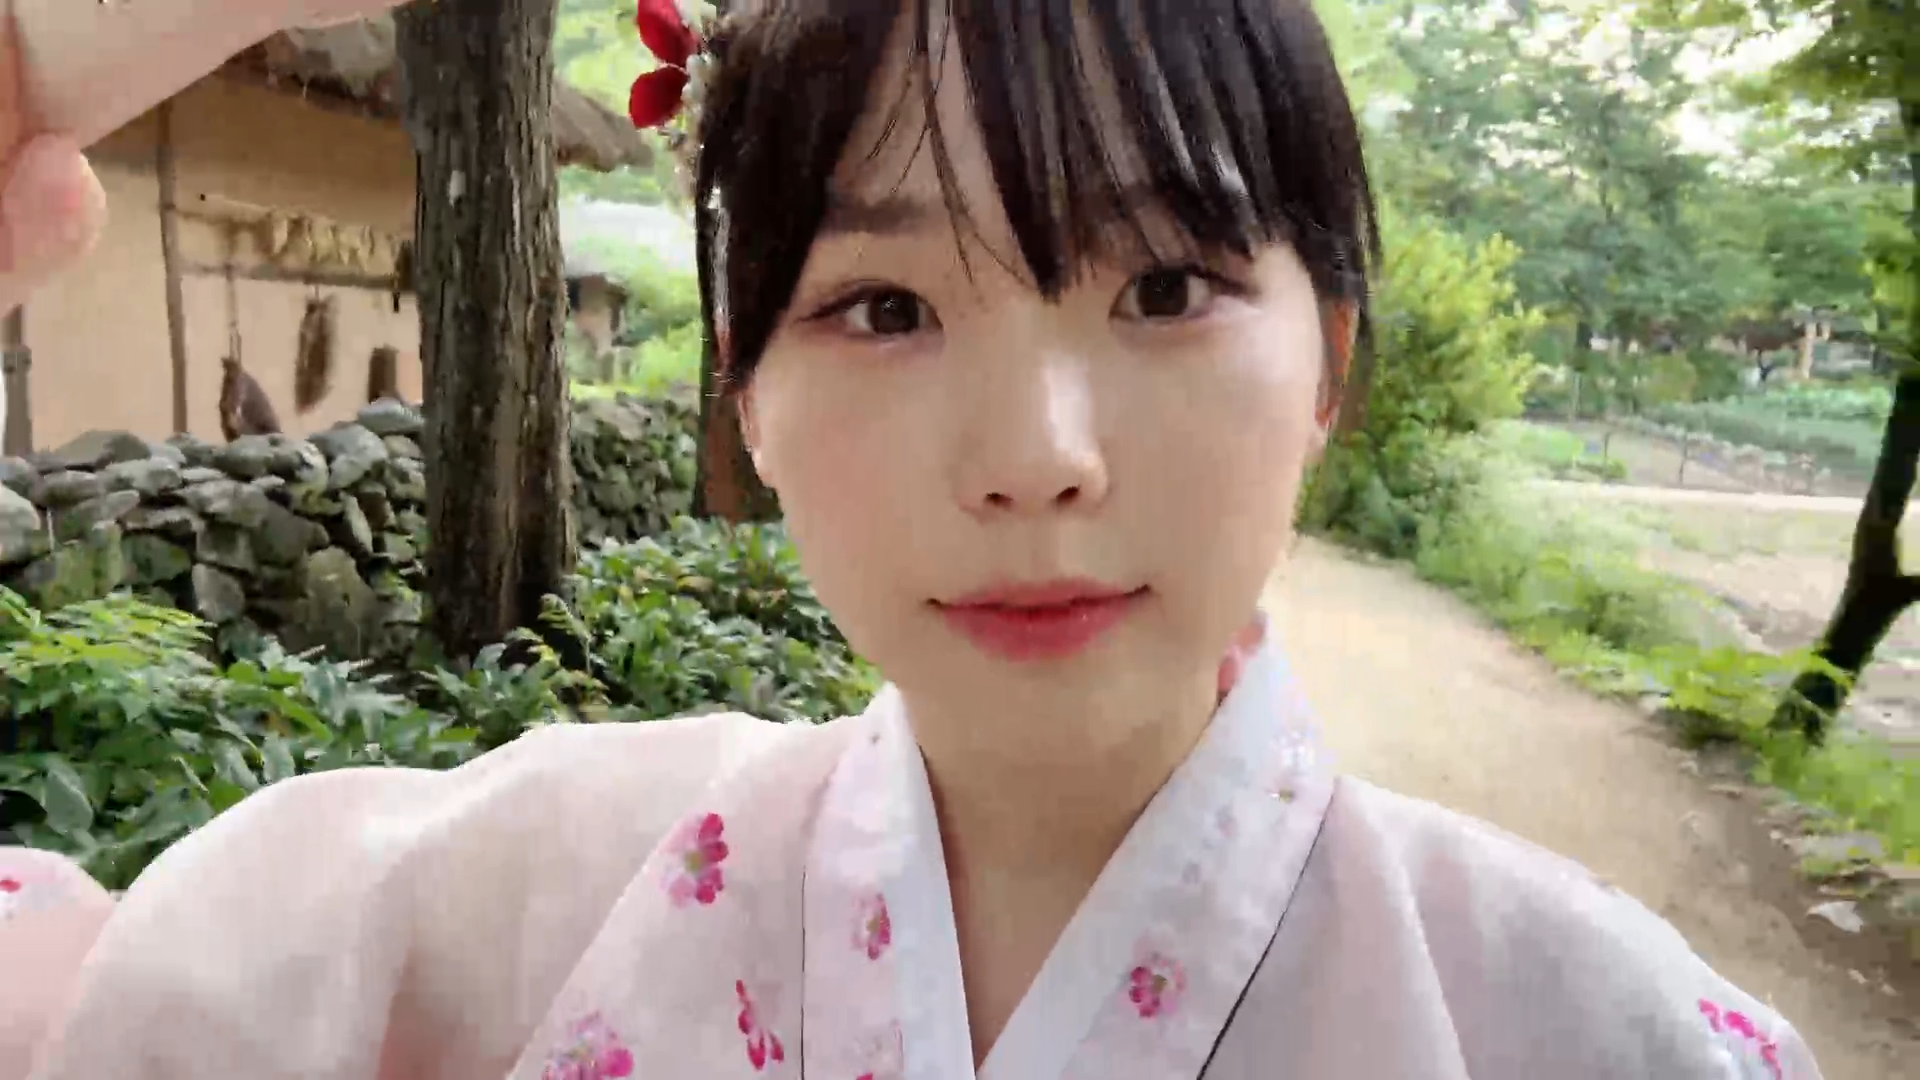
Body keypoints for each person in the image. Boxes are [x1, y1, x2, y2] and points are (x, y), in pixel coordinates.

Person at [1, 0, 1820, 1077]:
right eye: (883, 309)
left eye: (1166, 288)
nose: (1036, 462)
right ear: (747, 397)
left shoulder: (1587, 1030)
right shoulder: (492, 911)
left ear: (1331, 360)